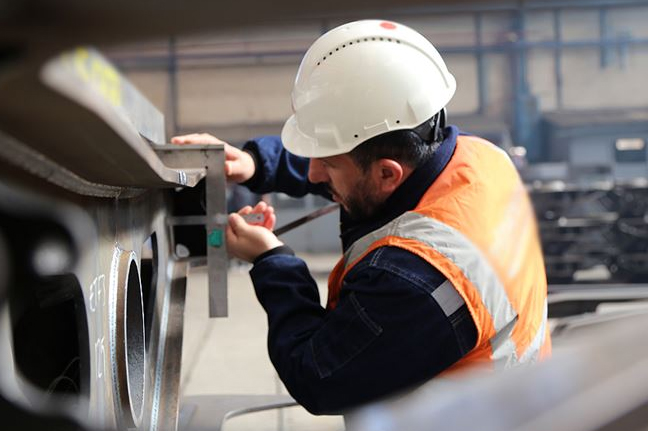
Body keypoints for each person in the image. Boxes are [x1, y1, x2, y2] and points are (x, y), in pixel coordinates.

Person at [172, 20, 551, 415]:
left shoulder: (418, 280)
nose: (314, 174)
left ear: (388, 173)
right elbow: (356, 166)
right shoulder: (479, 158)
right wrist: (254, 163)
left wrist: (274, 262)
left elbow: (318, 376)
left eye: (328, 164)